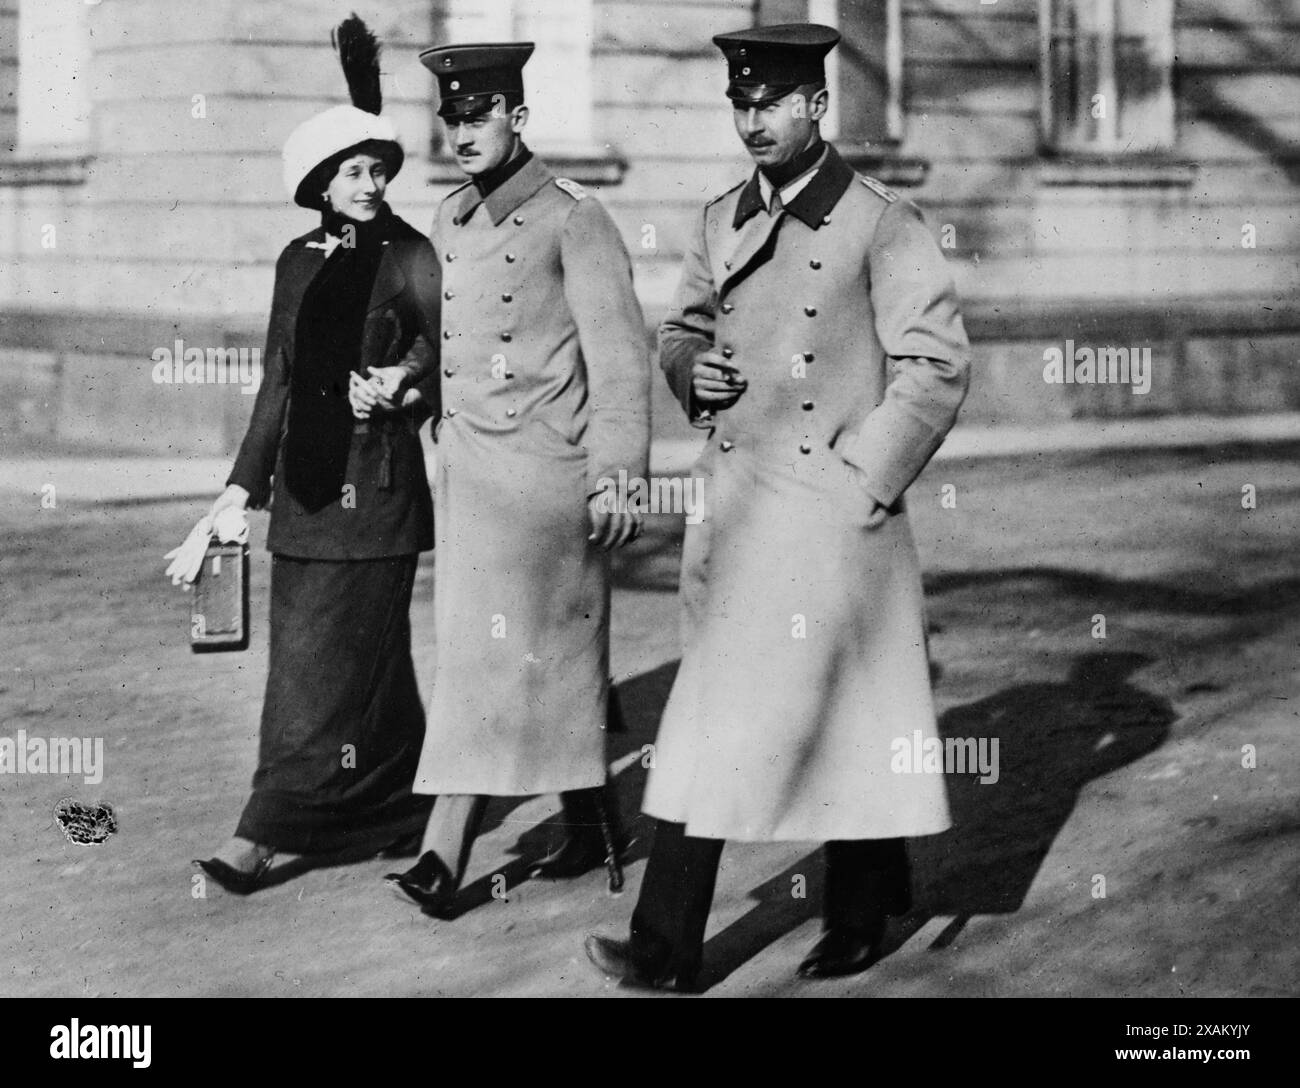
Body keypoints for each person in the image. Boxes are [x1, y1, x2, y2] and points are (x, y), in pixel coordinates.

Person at [585, 22, 971, 989]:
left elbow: (934, 367)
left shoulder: (882, 222)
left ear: (816, 106)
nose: (751, 121)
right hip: (741, 510)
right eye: (739, 105)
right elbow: (677, 329)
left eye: (769, 104)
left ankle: (850, 915)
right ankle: (674, 945)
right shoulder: (720, 217)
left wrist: (863, 481)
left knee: (840, 717)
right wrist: (692, 373)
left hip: (832, 517)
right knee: (709, 723)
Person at [381, 41, 651, 914]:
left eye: (478, 115)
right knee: (525, 660)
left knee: (496, 666)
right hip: (468, 473)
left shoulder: (575, 218)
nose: (461, 132)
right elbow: (443, 339)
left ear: (518, 117)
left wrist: (617, 475)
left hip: (545, 478)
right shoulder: (450, 218)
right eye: (449, 118)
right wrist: (407, 385)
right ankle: (593, 823)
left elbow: (619, 361)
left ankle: (442, 854)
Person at [191, 17, 441, 895]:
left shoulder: (413, 254)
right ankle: (398, 809)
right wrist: (235, 491)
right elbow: (277, 383)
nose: (369, 184)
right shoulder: (295, 262)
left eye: (379, 169)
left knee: (325, 673)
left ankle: (262, 832)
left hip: (376, 497)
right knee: (345, 666)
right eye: (353, 172)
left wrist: (408, 387)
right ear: (320, 186)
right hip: (303, 498)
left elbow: (449, 356)